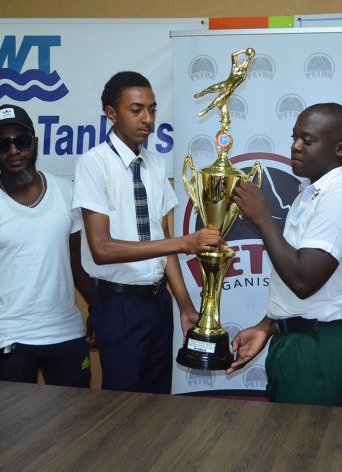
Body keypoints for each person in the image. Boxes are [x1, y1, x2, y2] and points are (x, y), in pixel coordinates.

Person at [72, 71, 222, 394]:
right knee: (123, 408)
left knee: (157, 404)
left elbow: (162, 239)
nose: (148, 119)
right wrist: (185, 243)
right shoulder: (94, 164)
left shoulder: (154, 164)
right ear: (112, 113)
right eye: (137, 109)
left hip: (158, 304)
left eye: (152, 110)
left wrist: (183, 304)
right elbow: (101, 248)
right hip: (118, 304)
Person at [227, 103, 342, 407]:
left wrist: (263, 219)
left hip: (320, 347)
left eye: (308, 140)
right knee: (287, 446)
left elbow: (304, 280)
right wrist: (268, 325)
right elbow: (291, 268)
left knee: (310, 447)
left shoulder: (340, 197)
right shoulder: (310, 192)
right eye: (294, 138)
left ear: (340, 148)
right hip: (295, 339)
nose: (295, 147)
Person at [0, 104, 93, 387]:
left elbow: (77, 264)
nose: (14, 151)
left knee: (77, 427)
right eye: (3, 144)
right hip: (4, 338)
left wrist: (99, 309)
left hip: (65, 335)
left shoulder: (67, 191)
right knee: (10, 430)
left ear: (35, 143)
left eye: (21, 141)